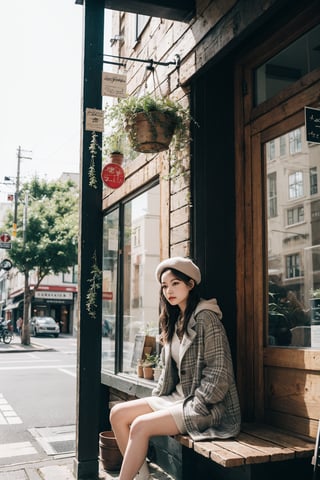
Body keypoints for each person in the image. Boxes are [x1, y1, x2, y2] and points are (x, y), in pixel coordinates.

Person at [110, 256, 241, 480]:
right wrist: (156, 399)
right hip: (176, 398)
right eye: (164, 285)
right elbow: (169, 371)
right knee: (118, 414)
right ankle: (141, 477)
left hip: (207, 406)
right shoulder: (176, 320)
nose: (168, 290)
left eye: (175, 283)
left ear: (190, 284)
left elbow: (220, 373)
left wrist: (197, 405)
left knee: (140, 426)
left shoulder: (206, 318)